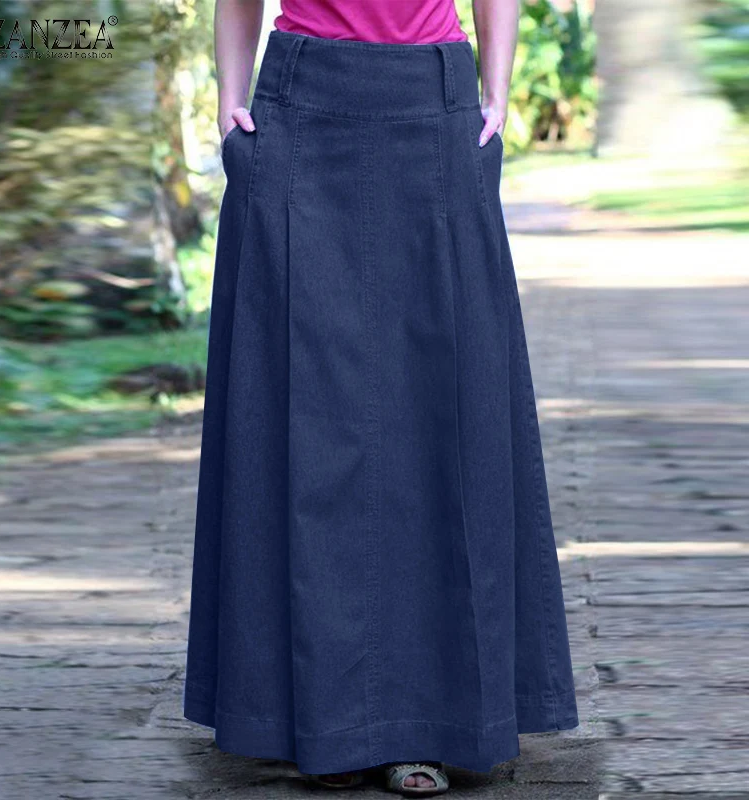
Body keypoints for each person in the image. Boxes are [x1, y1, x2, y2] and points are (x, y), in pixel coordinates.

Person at [183, 0, 579, 795]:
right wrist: (230, 105)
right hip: (302, 107)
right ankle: (320, 724)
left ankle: (424, 726)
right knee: (305, 420)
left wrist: (495, 96)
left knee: (441, 426)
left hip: (434, 108)